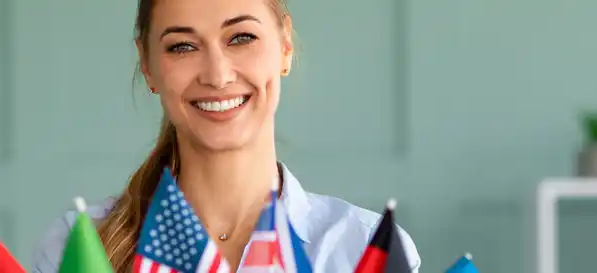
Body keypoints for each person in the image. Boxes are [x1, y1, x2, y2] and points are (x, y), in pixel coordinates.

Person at [31, 0, 421, 272]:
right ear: (147, 65)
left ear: (284, 45)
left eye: (241, 38)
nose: (217, 75)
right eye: (182, 46)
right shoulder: (80, 246)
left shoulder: (367, 249)